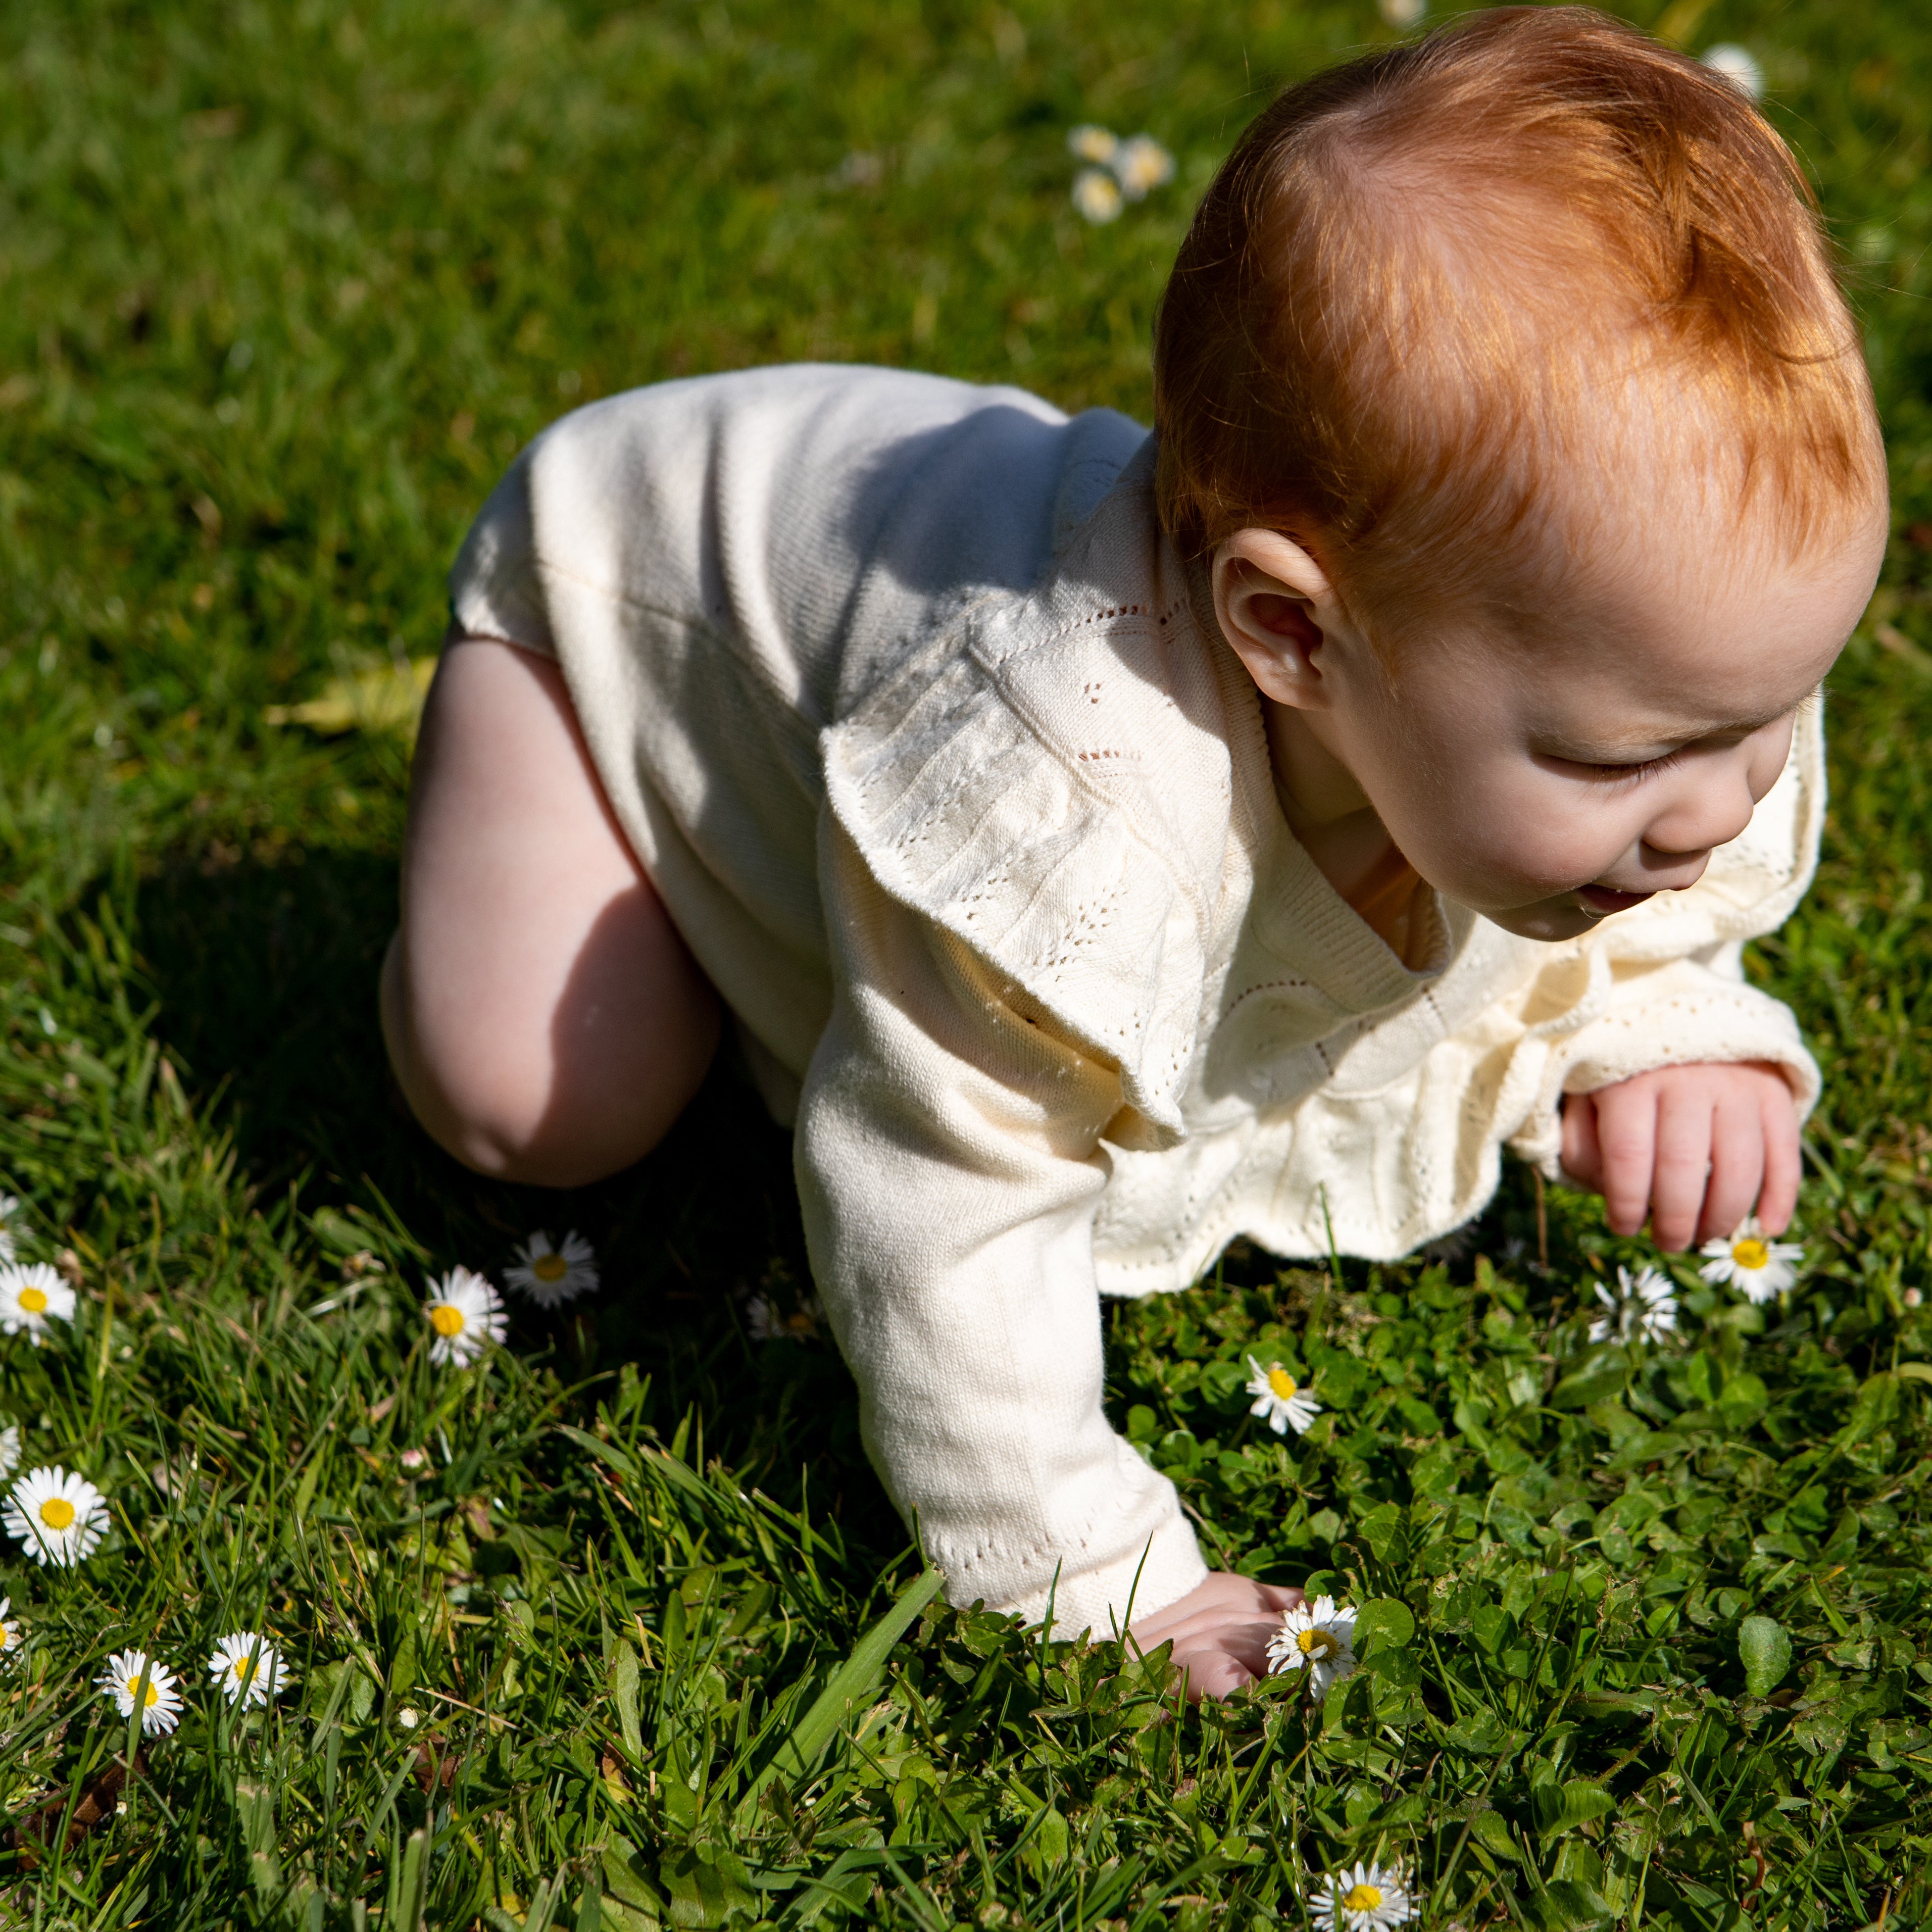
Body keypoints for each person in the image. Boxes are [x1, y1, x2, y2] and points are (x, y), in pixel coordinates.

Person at [380, 7, 1887, 1698]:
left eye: (1769, 708)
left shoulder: (1617, 679)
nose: (1719, 805)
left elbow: (1644, 833)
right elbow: (940, 1195)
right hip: (618, 602)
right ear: (1290, 634)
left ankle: (790, 925)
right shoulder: (1066, 784)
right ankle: (673, 866)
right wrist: (1092, 1576)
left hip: (846, 574)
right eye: (1624, 758)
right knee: (542, 1102)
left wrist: (1662, 1016)